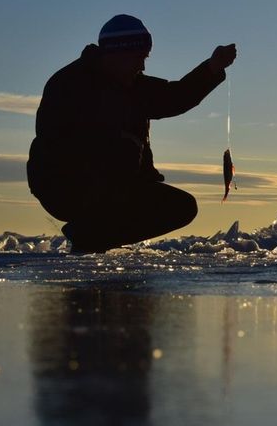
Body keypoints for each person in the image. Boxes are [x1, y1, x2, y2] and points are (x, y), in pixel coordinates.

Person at [27, 14, 237, 253]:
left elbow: (174, 97)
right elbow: (58, 145)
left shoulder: (134, 85)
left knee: (182, 207)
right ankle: (88, 235)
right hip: (65, 185)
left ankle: (92, 235)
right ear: (117, 53)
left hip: (117, 183)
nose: (143, 65)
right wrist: (116, 145)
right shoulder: (69, 85)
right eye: (139, 57)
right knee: (121, 157)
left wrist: (212, 68)